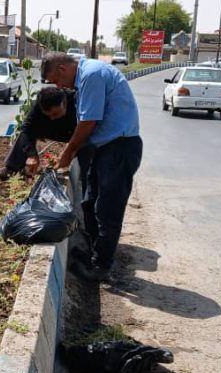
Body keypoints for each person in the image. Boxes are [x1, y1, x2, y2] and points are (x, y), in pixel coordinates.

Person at [41, 52, 143, 282]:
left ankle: (101, 267)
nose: (59, 87)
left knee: (108, 210)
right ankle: (94, 253)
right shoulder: (85, 76)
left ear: (62, 69)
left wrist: (67, 154)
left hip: (120, 148)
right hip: (105, 148)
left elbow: (88, 122)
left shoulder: (92, 75)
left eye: (57, 81)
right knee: (90, 203)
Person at [0, 87, 88, 179]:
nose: (52, 118)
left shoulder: (77, 100)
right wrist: (32, 154)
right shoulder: (38, 105)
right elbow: (26, 129)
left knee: (85, 148)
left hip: (77, 130)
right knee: (25, 133)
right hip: (55, 130)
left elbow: (87, 126)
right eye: (48, 115)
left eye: (55, 113)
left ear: (64, 102)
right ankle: (11, 169)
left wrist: (69, 150)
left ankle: (83, 171)